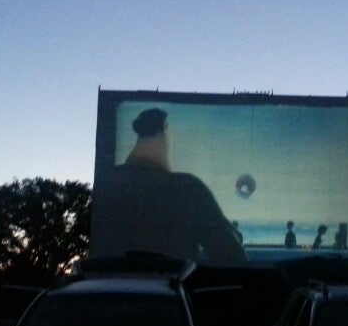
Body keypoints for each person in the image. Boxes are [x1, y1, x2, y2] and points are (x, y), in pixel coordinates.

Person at [97, 108, 246, 265]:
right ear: (166, 129)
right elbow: (232, 255)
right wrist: (233, 235)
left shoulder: (107, 182)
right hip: (171, 287)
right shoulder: (187, 188)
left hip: (109, 285)